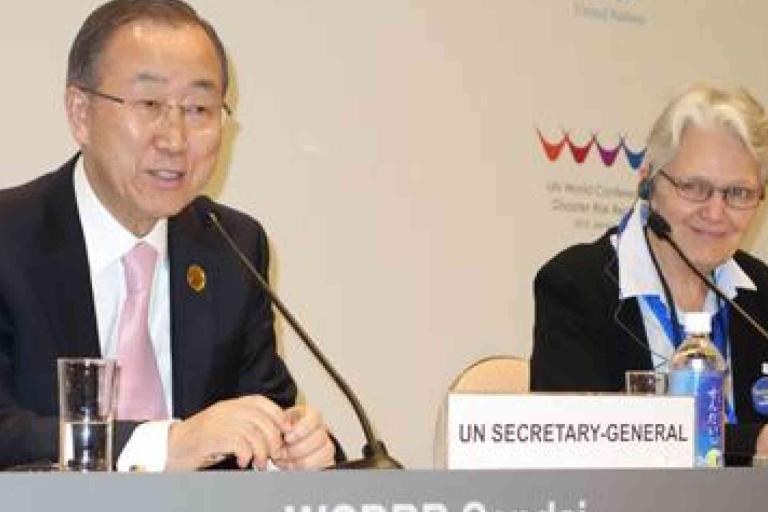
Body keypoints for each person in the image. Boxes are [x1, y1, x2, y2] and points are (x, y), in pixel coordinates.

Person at [0, 0, 337, 471]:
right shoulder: (8, 240)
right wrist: (163, 446)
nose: (175, 139)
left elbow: (267, 407)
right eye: (150, 104)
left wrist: (295, 446)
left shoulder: (230, 247)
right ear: (80, 113)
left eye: (199, 108)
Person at [530, 83, 768, 465]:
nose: (716, 212)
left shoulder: (761, 294)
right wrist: (750, 442)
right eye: (695, 187)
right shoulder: (576, 285)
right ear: (648, 181)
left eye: (738, 193)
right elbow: (573, 441)